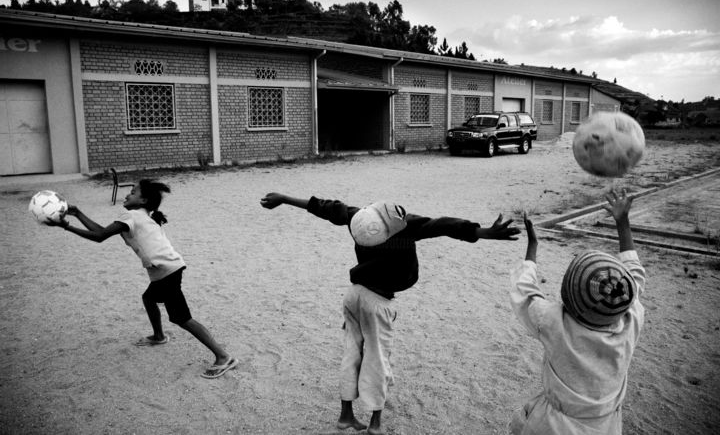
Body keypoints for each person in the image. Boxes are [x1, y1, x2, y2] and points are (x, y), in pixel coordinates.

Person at [260, 193, 520, 434]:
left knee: (352, 353)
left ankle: (346, 415)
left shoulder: (358, 219)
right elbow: (443, 225)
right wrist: (483, 232)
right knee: (377, 358)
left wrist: (283, 198)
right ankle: (375, 423)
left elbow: (326, 208)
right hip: (377, 303)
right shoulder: (405, 227)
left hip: (353, 296)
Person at [54, 179, 238, 379]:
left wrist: (66, 226)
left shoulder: (131, 215)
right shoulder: (140, 215)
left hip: (168, 271)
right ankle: (159, 336)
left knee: (181, 318)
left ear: (143, 200)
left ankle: (223, 356)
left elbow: (99, 235)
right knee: (149, 298)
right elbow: (101, 230)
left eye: (132, 192)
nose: (127, 195)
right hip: (166, 270)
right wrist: (78, 213)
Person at [509, 188, 646, 434]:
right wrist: (623, 223)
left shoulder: (553, 322)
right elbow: (634, 274)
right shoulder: (631, 318)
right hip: (606, 426)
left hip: (553, 426)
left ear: (567, 296)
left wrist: (532, 247)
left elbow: (524, 290)